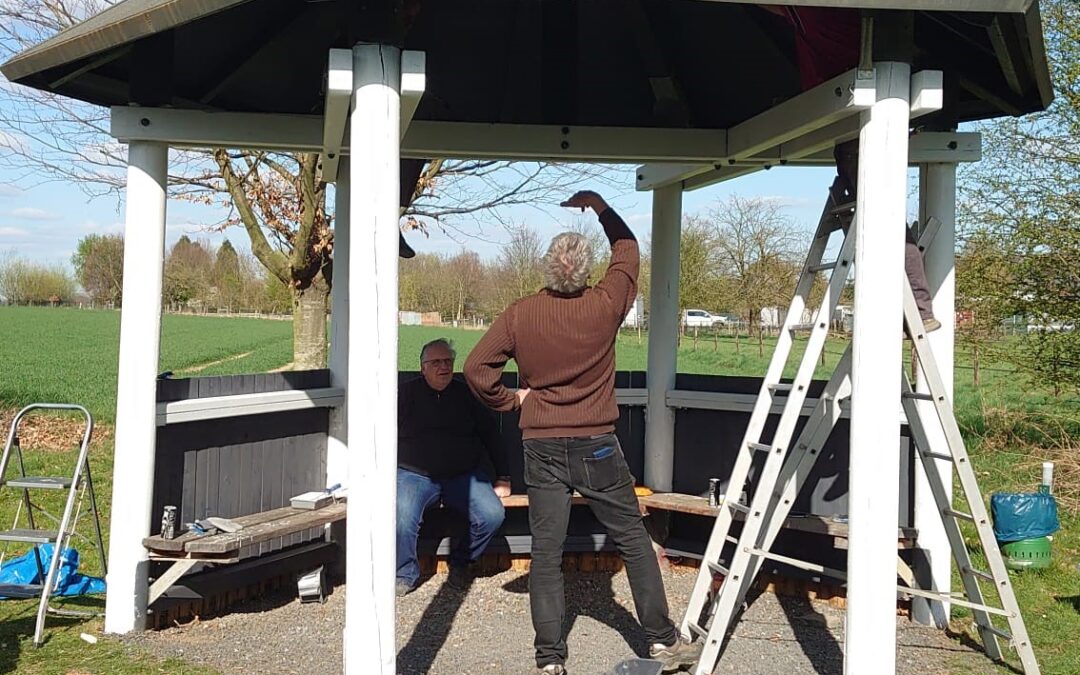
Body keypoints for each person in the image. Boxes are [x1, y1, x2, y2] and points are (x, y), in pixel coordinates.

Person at [464, 192, 701, 675]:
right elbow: (628, 250)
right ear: (585, 272)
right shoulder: (605, 304)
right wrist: (599, 206)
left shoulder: (520, 313)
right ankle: (662, 641)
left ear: (547, 270)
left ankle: (550, 662)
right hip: (596, 445)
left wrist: (511, 402)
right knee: (633, 539)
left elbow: (475, 368)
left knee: (546, 553)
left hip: (541, 447)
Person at [763, 5, 941, 332]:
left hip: (868, 109)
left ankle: (917, 307)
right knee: (875, 213)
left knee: (884, 218)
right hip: (860, 109)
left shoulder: (818, 14)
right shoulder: (838, 17)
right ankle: (914, 307)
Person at [396, 338, 511, 596]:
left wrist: (503, 476)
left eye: (448, 361)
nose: (443, 367)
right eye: (436, 362)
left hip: (464, 477)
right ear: (422, 367)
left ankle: (462, 563)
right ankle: (405, 573)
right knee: (402, 517)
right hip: (414, 475)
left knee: (493, 515)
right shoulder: (404, 395)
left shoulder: (466, 395)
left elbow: (491, 434)